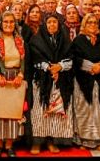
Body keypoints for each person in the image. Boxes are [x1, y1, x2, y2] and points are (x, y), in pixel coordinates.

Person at [28, 14, 75, 154]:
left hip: (61, 81)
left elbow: (72, 57)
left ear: (59, 25)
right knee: (40, 112)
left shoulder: (65, 40)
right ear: (45, 25)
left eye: (55, 22)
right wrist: (49, 68)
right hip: (41, 81)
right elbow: (34, 58)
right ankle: (36, 142)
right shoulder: (36, 40)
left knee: (55, 113)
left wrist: (60, 67)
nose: (52, 25)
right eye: (49, 22)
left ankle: (51, 141)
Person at [0, 11, 27, 157]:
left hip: (15, 80)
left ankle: (9, 146)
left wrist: (21, 74)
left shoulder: (21, 41)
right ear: (1, 24)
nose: (8, 24)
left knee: (13, 113)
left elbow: (26, 61)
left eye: (11, 22)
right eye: (5, 22)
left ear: (15, 24)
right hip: (0, 80)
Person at [71, 13, 100, 150]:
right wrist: (90, 66)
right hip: (83, 81)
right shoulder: (78, 40)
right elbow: (74, 58)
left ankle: (99, 140)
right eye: (89, 22)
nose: (92, 25)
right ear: (84, 24)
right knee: (84, 111)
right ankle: (84, 140)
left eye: (95, 22)